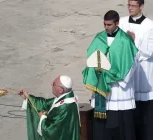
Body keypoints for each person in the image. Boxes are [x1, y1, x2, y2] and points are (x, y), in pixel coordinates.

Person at [82, 10, 138, 140]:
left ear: (117, 23)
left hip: (119, 88)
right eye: (104, 24)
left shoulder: (125, 40)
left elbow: (132, 63)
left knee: (122, 127)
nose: (106, 27)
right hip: (102, 86)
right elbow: (91, 58)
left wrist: (118, 77)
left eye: (109, 25)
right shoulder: (99, 38)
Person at [119, 1, 153, 139]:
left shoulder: (150, 25)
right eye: (128, 5)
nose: (130, 8)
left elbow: (149, 51)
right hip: (128, 75)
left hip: (143, 73)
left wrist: (133, 41)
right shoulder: (121, 22)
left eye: (133, 5)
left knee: (145, 116)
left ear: (141, 6)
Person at [18, 75, 80, 140]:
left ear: (60, 90)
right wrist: (28, 97)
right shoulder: (67, 97)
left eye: (53, 84)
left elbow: (52, 131)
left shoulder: (65, 108)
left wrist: (42, 118)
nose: (51, 84)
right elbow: (46, 104)